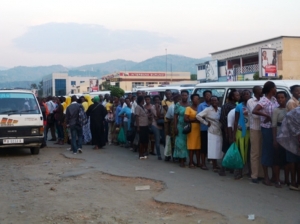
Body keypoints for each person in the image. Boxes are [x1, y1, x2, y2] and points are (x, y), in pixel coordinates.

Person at [252, 81, 279, 186]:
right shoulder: (264, 100)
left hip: (274, 128)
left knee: (273, 151)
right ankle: (266, 177)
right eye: (275, 88)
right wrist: (266, 116)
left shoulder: (274, 99)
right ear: (271, 89)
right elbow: (255, 110)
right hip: (266, 128)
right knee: (267, 151)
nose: (276, 89)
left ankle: (273, 176)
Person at [277, 107, 300, 191]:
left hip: (291, 140)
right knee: (294, 162)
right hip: (292, 141)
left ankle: (295, 182)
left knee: (294, 162)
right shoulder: (295, 112)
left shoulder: (294, 112)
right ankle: (295, 182)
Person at [197, 96, 223, 171]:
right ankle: (214, 165)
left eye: (216, 100)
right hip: (211, 131)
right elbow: (198, 116)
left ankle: (216, 164)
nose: (214, 102)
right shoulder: (207, 110)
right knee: (212, 149)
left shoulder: (220, 110)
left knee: (218, 148)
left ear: (218, 101)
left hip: (219, 131)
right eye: (212, 100)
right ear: (210, 102)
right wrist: (205, 123)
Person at [219, 89, 240, 176]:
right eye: (237, 95)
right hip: (227, 131)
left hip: (234, 130)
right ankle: (222, 169)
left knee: (232, 149)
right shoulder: (226, 106)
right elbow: (223, 119)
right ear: (232, 96)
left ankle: (230, 167)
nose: (238, 97)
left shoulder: (236, 105)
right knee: (227, 149)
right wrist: (227, 133)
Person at [247, 86, 264, 183]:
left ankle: (261, 174)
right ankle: (254, 175)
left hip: (263, 128)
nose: (262, 91)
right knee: (255, 153)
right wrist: (265, 113)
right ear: (256, 92)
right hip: (255, 129)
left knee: (261, 152)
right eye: (260, 90)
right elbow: (255, 115)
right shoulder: (251, 101)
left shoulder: (263, 100)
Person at [233, 90, 251, 179]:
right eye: (244, 94)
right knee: (240, 151)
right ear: (242, 96)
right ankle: (239, 171)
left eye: (248, 94)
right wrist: (234, 134)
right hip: (240, 132)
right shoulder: (239, 106)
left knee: (249, 152)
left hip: (251, 131)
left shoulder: (253, 105)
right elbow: (235, 121)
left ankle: (249, 171)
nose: (246, 95)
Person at [272, 91, 288, 188]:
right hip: (279, 135)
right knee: (277, 159)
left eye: (282, 97)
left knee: (287, 160)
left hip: (288, 137)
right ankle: (277, 179)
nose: (280, 100)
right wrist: (274, 139)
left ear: (286, 98)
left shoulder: (289, 108)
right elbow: (273, 125)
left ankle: (286, 179)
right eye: (278, 98)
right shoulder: (276, 110)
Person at [184, 94, 201, 168]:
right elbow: (186, 119)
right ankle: (190, 162)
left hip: (199, 128)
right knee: (191, 146)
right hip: (192, 128)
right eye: (195, 99)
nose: (197, 100)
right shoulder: (188, 108)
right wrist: (195, 119)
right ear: (192, 100)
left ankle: (198, 162)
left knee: (198, 146)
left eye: (198, 99)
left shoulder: (200, 108)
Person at [174, 90, 189, 167]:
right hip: (180, 126)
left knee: (187, 143)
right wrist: (175, 127)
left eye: (185, 95)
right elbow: (175, 116)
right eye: (183, 95)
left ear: (188, 96)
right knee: (181, 143)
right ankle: (181, 160)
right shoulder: (178, 105)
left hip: (189, 126)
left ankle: (185, 157)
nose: (184, 97)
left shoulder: (190, 104)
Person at [197, 90, 212, 170]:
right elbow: (199, 116)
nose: (208, 96)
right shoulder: (201, 105)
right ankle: (203, 163)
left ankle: (213, 162)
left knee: (212, 146)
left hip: (213, 129)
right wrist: (206, 121)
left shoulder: (213, 104)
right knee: (204, 146)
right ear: (204, 96)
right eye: (206, 95)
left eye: (209, 95)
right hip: (204, 128)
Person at [162, 90, 174, 161]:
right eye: (167, 94)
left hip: (174, 121)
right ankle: (167, 155)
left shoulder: (174, 101)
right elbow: (167, 109)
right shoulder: (164, 101)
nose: (168, 95)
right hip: (167, 121)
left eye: (169, 94)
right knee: (168, 138)